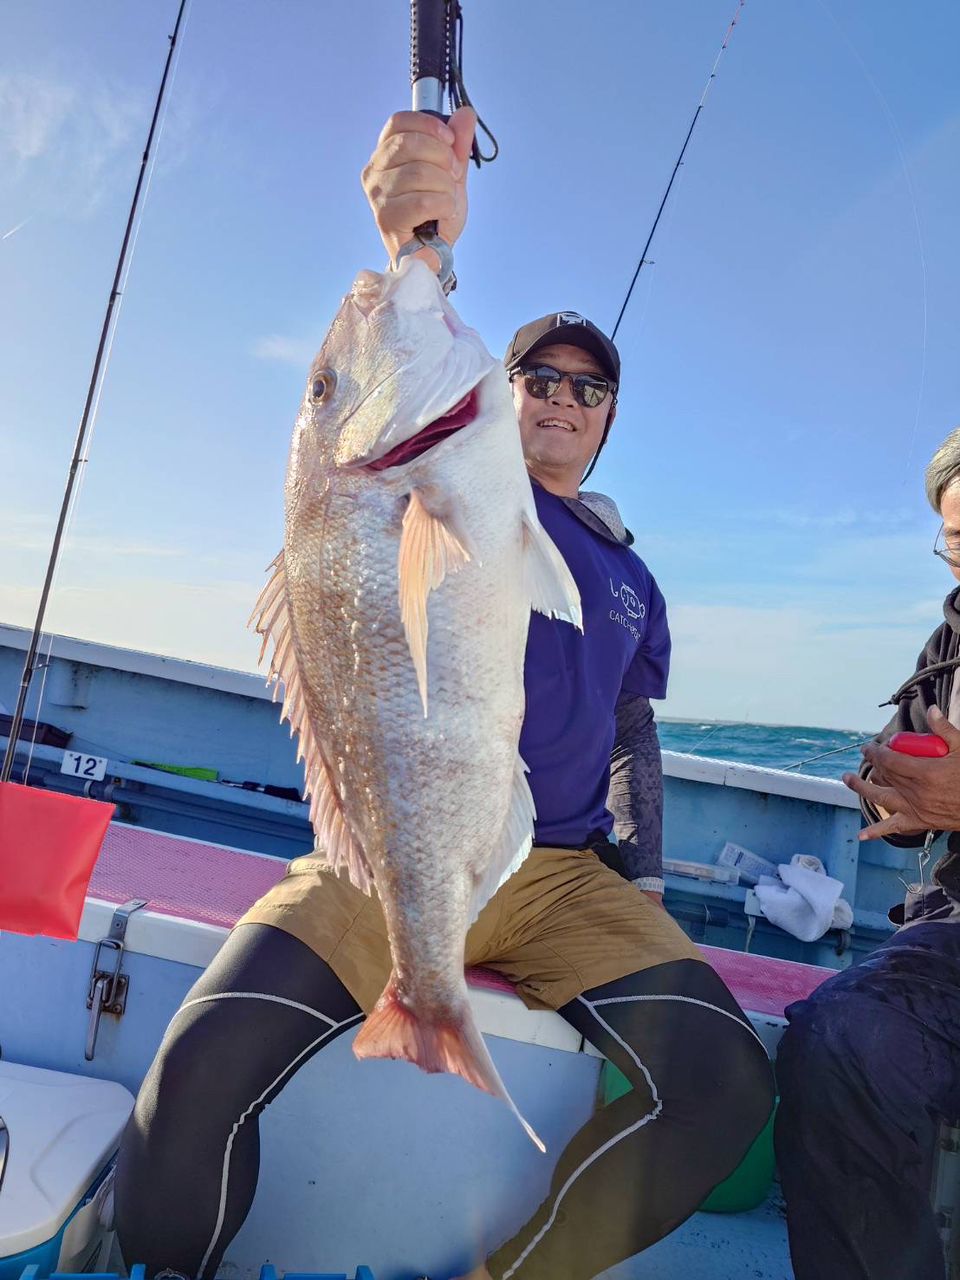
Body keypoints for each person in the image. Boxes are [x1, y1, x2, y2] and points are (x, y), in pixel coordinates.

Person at [115, 107, 773, 1280]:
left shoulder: (629, 573)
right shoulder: (433, 484)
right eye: (542, 377)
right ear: (504, 393)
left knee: (727, 1078)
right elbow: (401, 345)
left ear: (610, 419)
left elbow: (634, 728)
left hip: (563, 869)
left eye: (591, 388)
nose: (565, 399)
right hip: (388, 838)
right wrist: (418, 239)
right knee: (196, 1068)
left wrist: (654, 875)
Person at [775, 425, 960, 1280]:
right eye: (955, 537)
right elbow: (899, 770)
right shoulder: (947, 650)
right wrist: (897, 797)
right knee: (840, 1036)